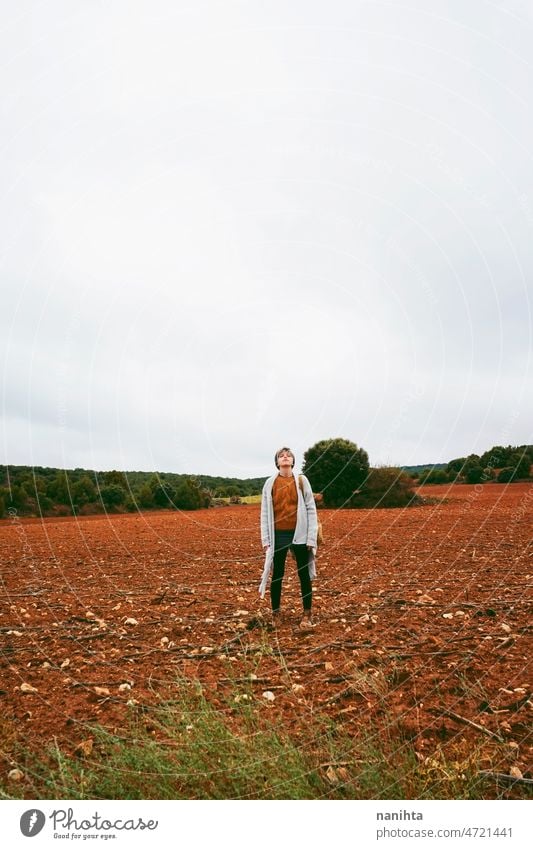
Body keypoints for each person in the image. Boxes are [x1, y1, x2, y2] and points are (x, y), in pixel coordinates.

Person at [259, 447, 318, 629]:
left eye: (288, 455)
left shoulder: (301, 480)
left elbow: (310, 508)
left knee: (303, 574)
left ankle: (307, 614)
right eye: (281, 456)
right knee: (277, 575)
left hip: (299, 533)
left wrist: (311, 538)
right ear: (277, 462)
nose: (285, 457)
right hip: (278, 535)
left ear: (293, 461)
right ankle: (276, 613)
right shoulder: (270, 483)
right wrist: (266, 539)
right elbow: (264, 513)